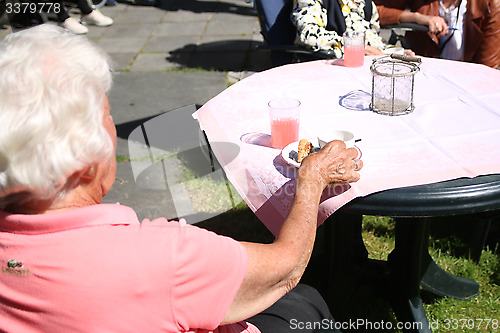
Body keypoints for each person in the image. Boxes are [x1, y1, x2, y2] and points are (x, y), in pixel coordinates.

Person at [0, 24, 363, 332]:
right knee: (307, 305)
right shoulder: (162, 257)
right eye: (107, 115)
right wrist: (312, 178)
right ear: (84, 157)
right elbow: (284, 268)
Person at [374, 0, 500, 68]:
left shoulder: (491, 4)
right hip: (421, 74)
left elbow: (487, 68)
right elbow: (373, 11)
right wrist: (417, 18)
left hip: (465, 84)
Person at [291, 0, 415, 59]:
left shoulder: (366, 4)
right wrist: (356, 47)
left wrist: (396, 53)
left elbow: (374, 43)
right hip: (333, 68)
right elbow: (310, 37)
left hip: (370, 67)